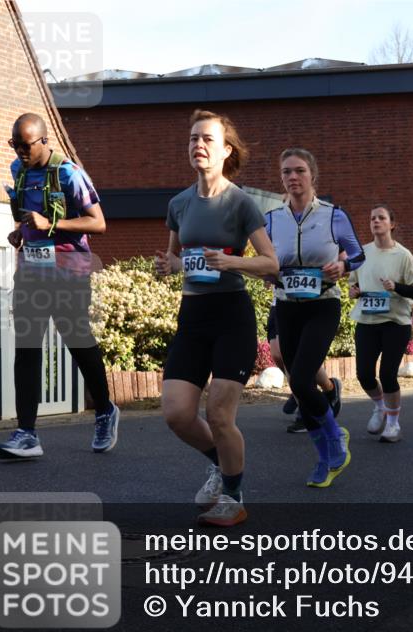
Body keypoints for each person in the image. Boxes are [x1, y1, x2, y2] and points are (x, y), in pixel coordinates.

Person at [155, 109, 279, 526]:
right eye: (193, 139)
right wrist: (168, 265)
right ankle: (220, 464)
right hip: (193, 315)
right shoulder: (179, 203)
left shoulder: (240, 202)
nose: (198, 145)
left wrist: (232, 265)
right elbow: (176, 255)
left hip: (231, 315)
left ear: (226, 150)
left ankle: (233, 496)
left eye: (207, 139)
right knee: (176, 413)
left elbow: (271, 263)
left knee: (220, 414)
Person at [0, 113, 120, 461]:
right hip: (31, 268)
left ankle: (106, 410)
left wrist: (51, 223)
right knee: (27, 347)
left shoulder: (68, 173)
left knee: (78, 343)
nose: (19, 151)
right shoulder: (18, 171)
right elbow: (25, 211)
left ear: (44, 141)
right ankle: (27, 433)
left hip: (69, 269)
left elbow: (98, 222)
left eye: (25, 145)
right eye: (14, 144)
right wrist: (21, 232)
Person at [264, 148, 365, 487]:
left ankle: (336, 437)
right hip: (287, 306)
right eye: (286, 172)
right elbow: (263, 260)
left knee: (303, 377)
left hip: (322, 303)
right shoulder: (272, 219)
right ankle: (324, 459)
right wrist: (267, 273)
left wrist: (343, 266)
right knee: (297, 381)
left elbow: (358, 253)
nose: (293, 177)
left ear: (312, 175)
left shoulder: (334, 215)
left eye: (299, 171)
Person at [349, 205, 413, 442]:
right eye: (372, 218)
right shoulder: (362, 253)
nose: (376, 221)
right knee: (363, 375)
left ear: (392, 224)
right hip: (367, 320)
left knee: (388, 374)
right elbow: (354, 284)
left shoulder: (403, 255)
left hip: (395, 322)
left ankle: (393, 424)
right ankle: (380, 406)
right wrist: (355, 291)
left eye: (381, 218)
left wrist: (396, 287)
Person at [266, 292, 343, 434]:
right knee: (278, 355)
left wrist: (342, 267)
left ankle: (309, 405)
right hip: (282, 301)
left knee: (301, 364)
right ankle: (315, 389)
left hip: (314, 301)